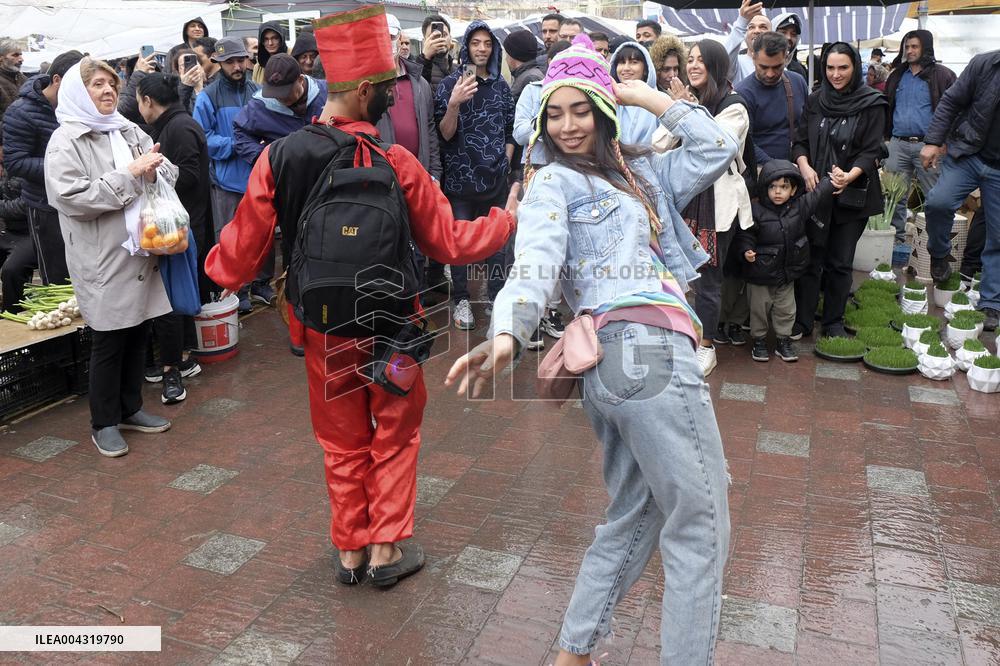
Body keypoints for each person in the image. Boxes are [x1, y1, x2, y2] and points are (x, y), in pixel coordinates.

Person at [445, 35, 736, 666]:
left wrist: (642, 94)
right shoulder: (551, 182)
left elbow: (717, 147)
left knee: (637, 516)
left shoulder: (643, 171)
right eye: (555, 112)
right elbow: (534, 263)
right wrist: (506, 335)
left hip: (620, 365)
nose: (568, 125)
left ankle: (572, 655)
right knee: (701, 524)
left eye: (582, 109)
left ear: (604, 113)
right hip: (640, 352)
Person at [206, 5, 515, 586]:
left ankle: (350, 548)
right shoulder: (397, 163)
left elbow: (238, 257)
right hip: (393, 324)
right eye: (390, 86)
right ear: (367, 89)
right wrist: (505, 221)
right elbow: (451, 242)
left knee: (342, 437)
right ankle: (387, 551)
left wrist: (203, 263)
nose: (396, 95)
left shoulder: (281, 156)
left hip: (323, 326)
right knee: (395, 432)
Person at [44, 59, 177, 457]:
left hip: (140, 249)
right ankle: (103, 422)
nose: (107, 91)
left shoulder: (125, 127)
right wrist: (131, 174)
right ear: (75, 92)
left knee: (137, 332)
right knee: (108, 339)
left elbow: (166, 169)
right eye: (96, 84)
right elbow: (70, 198)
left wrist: (153, 171)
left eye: (111, 84)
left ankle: (130, 407)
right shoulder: (65, 140)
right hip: (102, 256)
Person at [656, 39, 752, 375]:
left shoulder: (734, 106)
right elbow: (658, 143)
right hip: (682, 200)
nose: (693, 65)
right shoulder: (685, 102)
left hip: (718, 203)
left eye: (701, 60)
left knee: (708, 278)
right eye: (690, 60)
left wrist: (686, 110)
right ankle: (683, 336)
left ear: (717, 66)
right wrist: (678, 108)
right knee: (678, 275)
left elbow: (716, 146)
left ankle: (707, 344)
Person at [792, 42, 887, 338]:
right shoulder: (816, 100)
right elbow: (799, 140)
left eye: (843, 67)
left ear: (855, 67)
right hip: (815, 192)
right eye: (830, 68)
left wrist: (849, 175)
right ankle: (803, 321)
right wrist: (805, 168)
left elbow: (872, 151)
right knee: (810, 258)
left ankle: (833, 321)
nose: (836, 74)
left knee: (840, 261)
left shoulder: (873, 102)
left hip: (852, 194)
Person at [434, 20, 515, 331]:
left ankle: (496, 297)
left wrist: (505, 161)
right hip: (459, 182)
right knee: (460, 245)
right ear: (465, 46)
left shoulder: (500, 87)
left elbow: (510, 131)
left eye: (487, 43)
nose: (481, 49)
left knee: (497, 244)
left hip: (494, 179)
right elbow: (445, 134)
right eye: (475, 43)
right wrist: (454, 103)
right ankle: (461, 300)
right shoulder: (448, 86)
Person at [135, 73, 209, 403]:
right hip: (179, 226)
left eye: (138, 101)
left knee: (171, 296)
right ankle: (181, 356)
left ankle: (176, 362)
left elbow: (190, 176)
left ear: (148, 101)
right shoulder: (172, 124)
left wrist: (158, 173)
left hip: (180, 225)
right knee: (176, 292)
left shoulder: (178, 128)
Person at [920, 49, 1000, 331]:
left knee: (998, 236)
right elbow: (951, 101)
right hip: (968, 153)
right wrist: (933, 141)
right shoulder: (985, 64)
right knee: (938, 202)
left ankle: (991, 303)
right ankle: (939, 252)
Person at [193, 37, 269, 314]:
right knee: (230, 237)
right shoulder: (207, 96)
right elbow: (203, 139)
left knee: (261, 236)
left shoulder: (259, 91)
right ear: (219, 63)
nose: (237, 66)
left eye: (240, 60)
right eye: (230, 62)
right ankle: (236, 289)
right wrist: (237, 146)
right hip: (226, 181)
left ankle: (259, 283)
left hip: (258, 177)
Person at [735, 160, 835, 361]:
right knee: (758, 310)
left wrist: (830, 181)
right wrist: (746, 250)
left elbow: (816, 196)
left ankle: (783, 340)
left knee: (786, 310)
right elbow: (745, 234)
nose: (778, 192)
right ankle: (760, 340)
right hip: (760, 273)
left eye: (784, 187)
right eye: (772, 187)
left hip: (787, 273)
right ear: (765, 189)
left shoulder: (799, 207)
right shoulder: (756, 211)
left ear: (794, 189)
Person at [3, 51, 84, 287]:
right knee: (59, 277)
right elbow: (15, 162)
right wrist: (62, 167)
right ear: (57, 80)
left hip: (79, 200)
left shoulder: (75, 108)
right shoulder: (20, 112)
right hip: (44, 206)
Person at [883, 30, 956, 244]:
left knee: (936, 197)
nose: (910, 51)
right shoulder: (897, 75)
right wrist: (885, 139)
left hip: (930, 146)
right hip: (898, 144)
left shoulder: (942, 75)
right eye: (907, 47)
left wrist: (944, 142)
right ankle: (896, 241)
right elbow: (886, 108)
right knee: (893, 197)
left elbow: (955, 110)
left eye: (914, 46)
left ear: (926, 47)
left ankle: (939, 244)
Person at [234, 54, 327, 165]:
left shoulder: (327, 93)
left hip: (329, 169)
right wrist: (266, 159)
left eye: (286, 92)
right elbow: (241, 134)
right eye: (275, 93)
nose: (281, 98)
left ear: (300, 80)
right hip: (288, 175)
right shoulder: (259, 106)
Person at [734, 31, 808, 165]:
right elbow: (745, 143)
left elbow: (807, 129)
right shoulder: (742, 93)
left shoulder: (798, 82)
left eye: (777, 67)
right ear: (754, 58)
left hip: (797, 169)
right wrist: (778, 168)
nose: (770, 74)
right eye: (763, 67)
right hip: (761, 173)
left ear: (786, 58)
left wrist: (803, 163)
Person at [609, 42, 662, 151]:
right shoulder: (608, 99)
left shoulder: (659, 99)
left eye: (634, 62)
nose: (626, 68)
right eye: (622, 62)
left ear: (646, 69)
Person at [0, 175, 33, 312]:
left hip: (35, 233)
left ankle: (13, 315)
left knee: (11, 270)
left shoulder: (30, 166)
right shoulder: (6, 165)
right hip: (8, 231)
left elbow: (24, 206)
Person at [723, 0, 770, 84]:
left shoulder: (781, 68)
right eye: (751, 27)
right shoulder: (738, 63)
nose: (757, 31)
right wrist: (742, 21)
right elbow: (723, 60)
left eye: (763, 27)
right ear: (744, 34)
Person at [0, 39, 27, 150]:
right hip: (6, 143)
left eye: (20, 55)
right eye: (15, 55)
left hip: (26, 141)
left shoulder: (24, 79)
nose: (21, 59)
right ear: (1, 58)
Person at [419, 14, 456, 89]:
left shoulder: (459, 70)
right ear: (424, 42)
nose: (440, 39)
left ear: (451, 38)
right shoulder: (416, 69)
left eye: (444, 35)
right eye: (434, 36)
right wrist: (425, 58)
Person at [771, 12, 809, 84]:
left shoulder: (798, 70)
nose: (788, 37)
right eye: (783, 32)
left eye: (793, 34)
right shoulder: (758, 65)